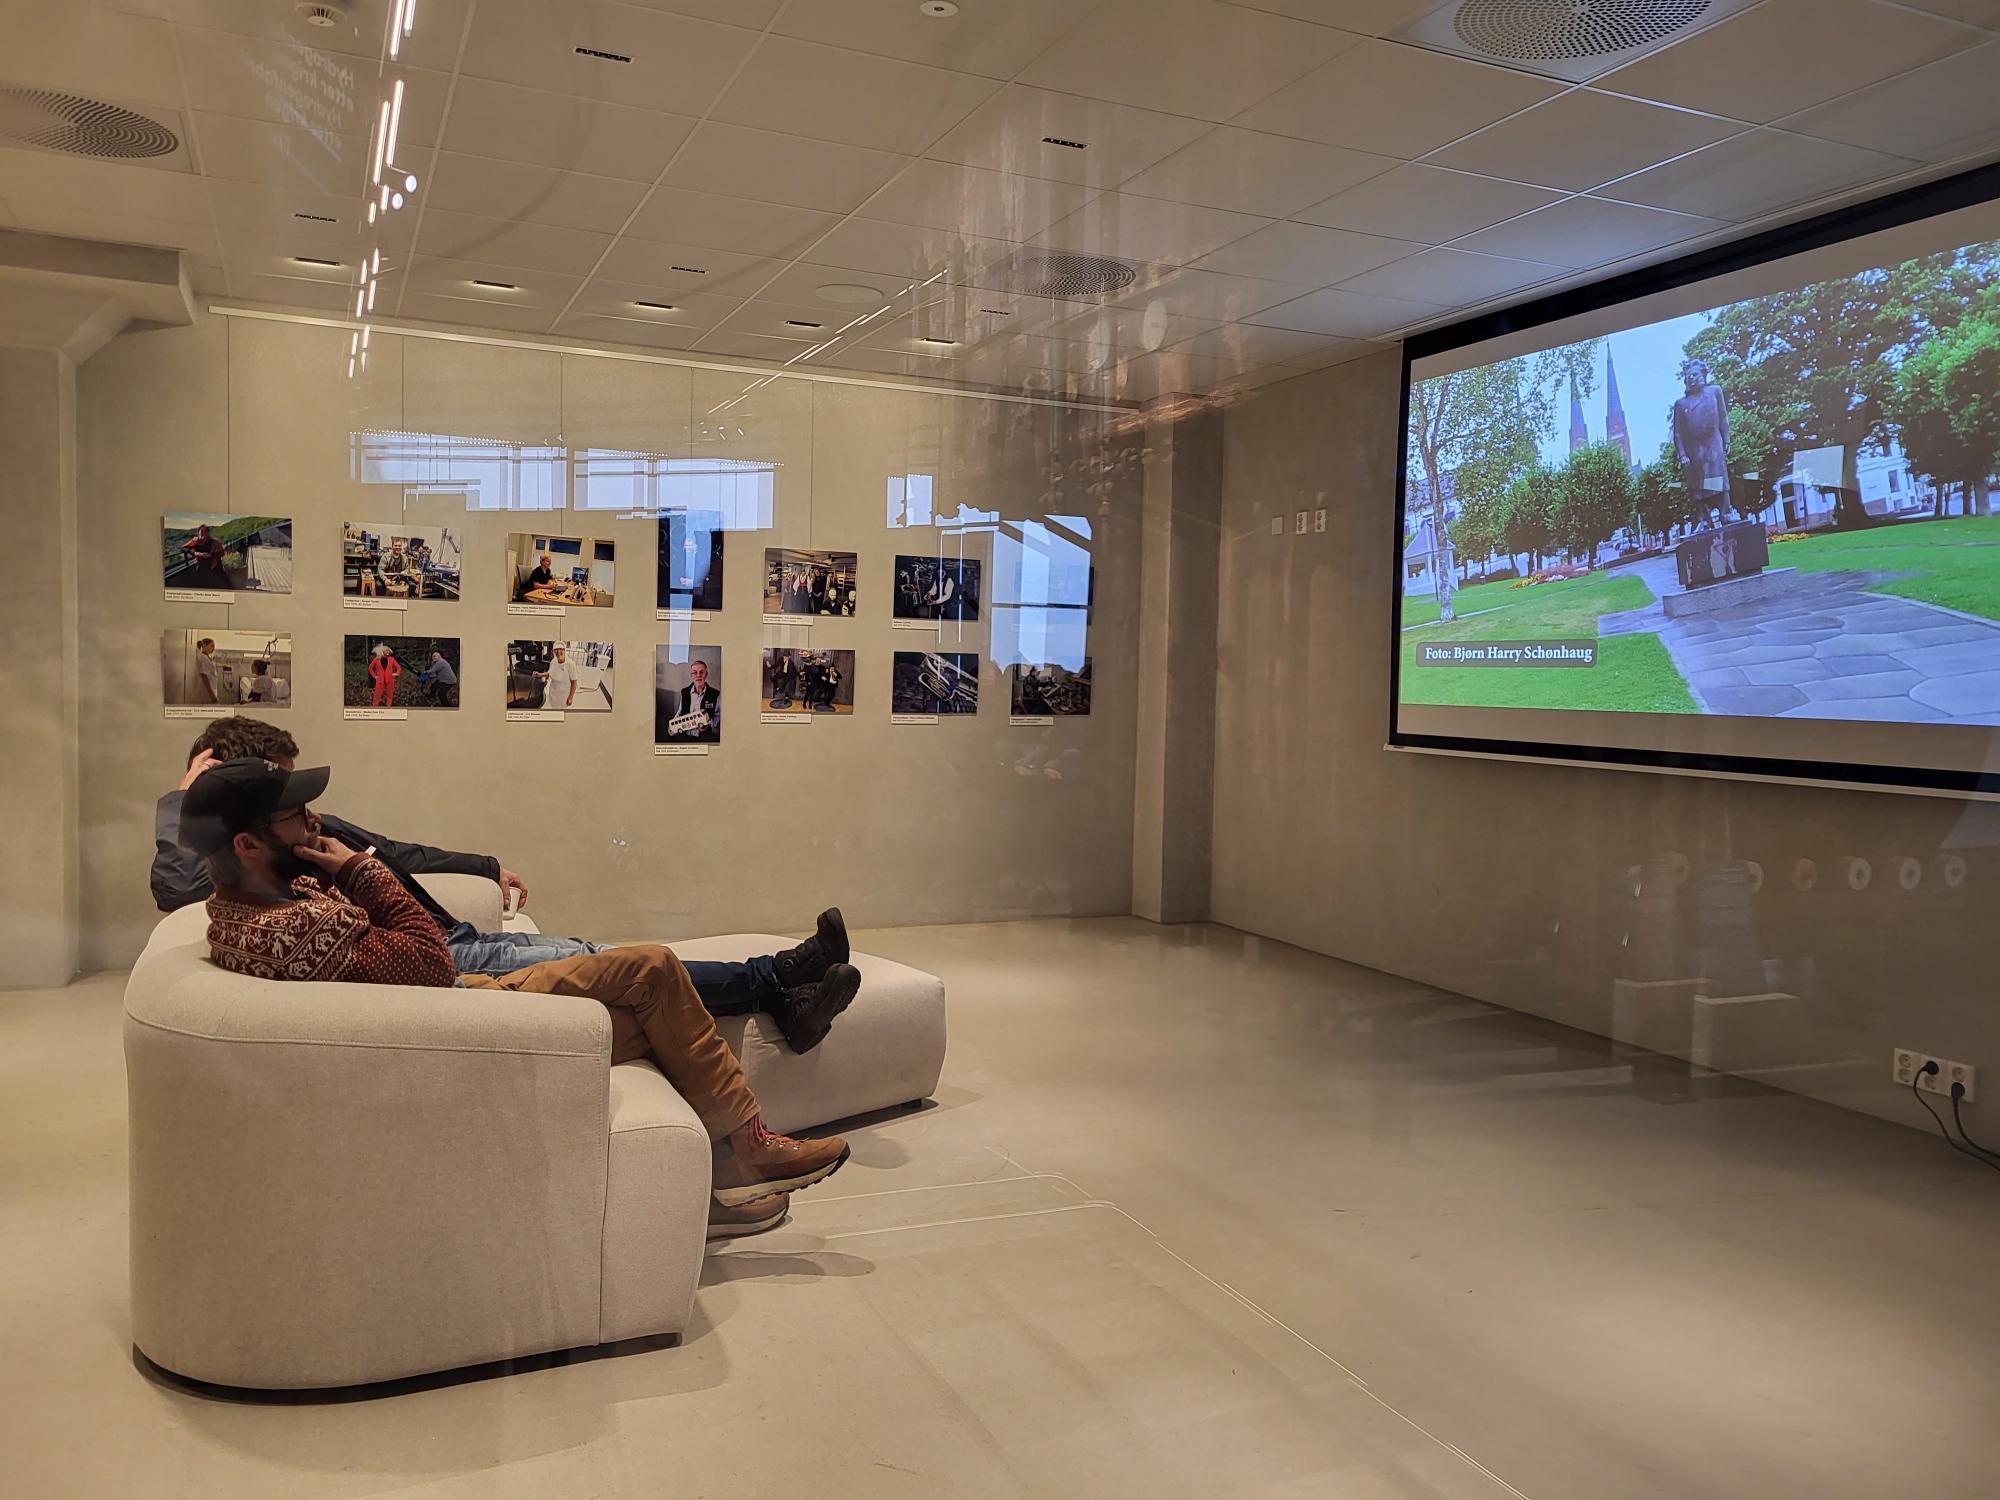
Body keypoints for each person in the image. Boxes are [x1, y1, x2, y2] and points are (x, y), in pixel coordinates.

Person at [177, 757, 847, 1237]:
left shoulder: (256, 900)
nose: (314, 822)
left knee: (650, 981)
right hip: (473, 1020)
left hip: (463, 1004)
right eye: (295, 816)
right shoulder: (292, 928)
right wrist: (360, 871)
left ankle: (735, 1156)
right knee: (650, 980)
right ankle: (745, 1147)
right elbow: (431, 960)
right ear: (248, 843)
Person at [152, 718, 861, 1052]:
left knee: (605, 955)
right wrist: (185, 804)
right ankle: (777, 976)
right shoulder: (250, 865)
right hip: (451, 958)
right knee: (614, 961)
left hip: (455, 936)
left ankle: (784, 995)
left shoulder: (302, 832)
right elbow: (181, 884)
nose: (305, 807)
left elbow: (396, 850)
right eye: (283, 791)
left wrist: (484, 866)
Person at [666, 657, 719, 741]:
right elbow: (680, 712)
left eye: (701, 672)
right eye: (695, 672)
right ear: (691, 675)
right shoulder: (684, 692)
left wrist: (709, 724)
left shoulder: (715, 694)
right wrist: (672, 726)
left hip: (704, 738)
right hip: (685, 736)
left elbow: (717, 716)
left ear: (706, 674)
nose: (698, 675)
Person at [536, 644, 577, 710]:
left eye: (561, 649)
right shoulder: (553, 661)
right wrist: (540, 674)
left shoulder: (570, 664)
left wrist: (570, 697)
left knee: (560, 710)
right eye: (556, 650)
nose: (558, 652)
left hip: (563, 695)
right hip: (553, 692)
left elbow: (574, 683)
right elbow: (550, 673)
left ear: (564, 650)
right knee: (552, 707)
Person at [193, 637, 220, 703]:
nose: (213, 648)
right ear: (205, 645)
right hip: (207, 694)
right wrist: (212, 695)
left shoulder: (206, 657)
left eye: (214, 646)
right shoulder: (204, 658)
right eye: (211, 646)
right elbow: (204, 677)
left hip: (211, 690)